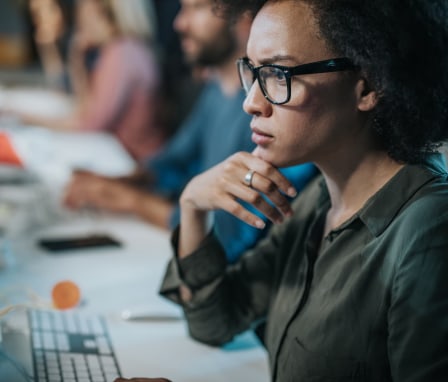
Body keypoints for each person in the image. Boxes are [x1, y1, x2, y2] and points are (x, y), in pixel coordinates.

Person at [117, 0, 448, 380]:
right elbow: (214, 321)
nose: (251, 103)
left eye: (277, 74)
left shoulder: (430, 228)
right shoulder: (320, 199)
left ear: (369, 85)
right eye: (253, 72)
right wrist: (193, 204)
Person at [63, 0, 317, 264]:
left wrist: (130, 200)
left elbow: (229, 231)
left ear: (242, 19)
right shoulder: (217, 88)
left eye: (196, 8)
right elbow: (177, 162)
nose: (179, 23)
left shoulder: (274, 113)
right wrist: (118, 183)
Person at [19, 0, 166, 161]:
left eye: (84, 15)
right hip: (121, 155)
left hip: (135, 164)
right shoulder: (123, 49)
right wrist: (77, 61)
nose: (80, 24)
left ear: (104, 15)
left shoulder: (121, 54)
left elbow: (88, 124)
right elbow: (84, 107)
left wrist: (25, 119)